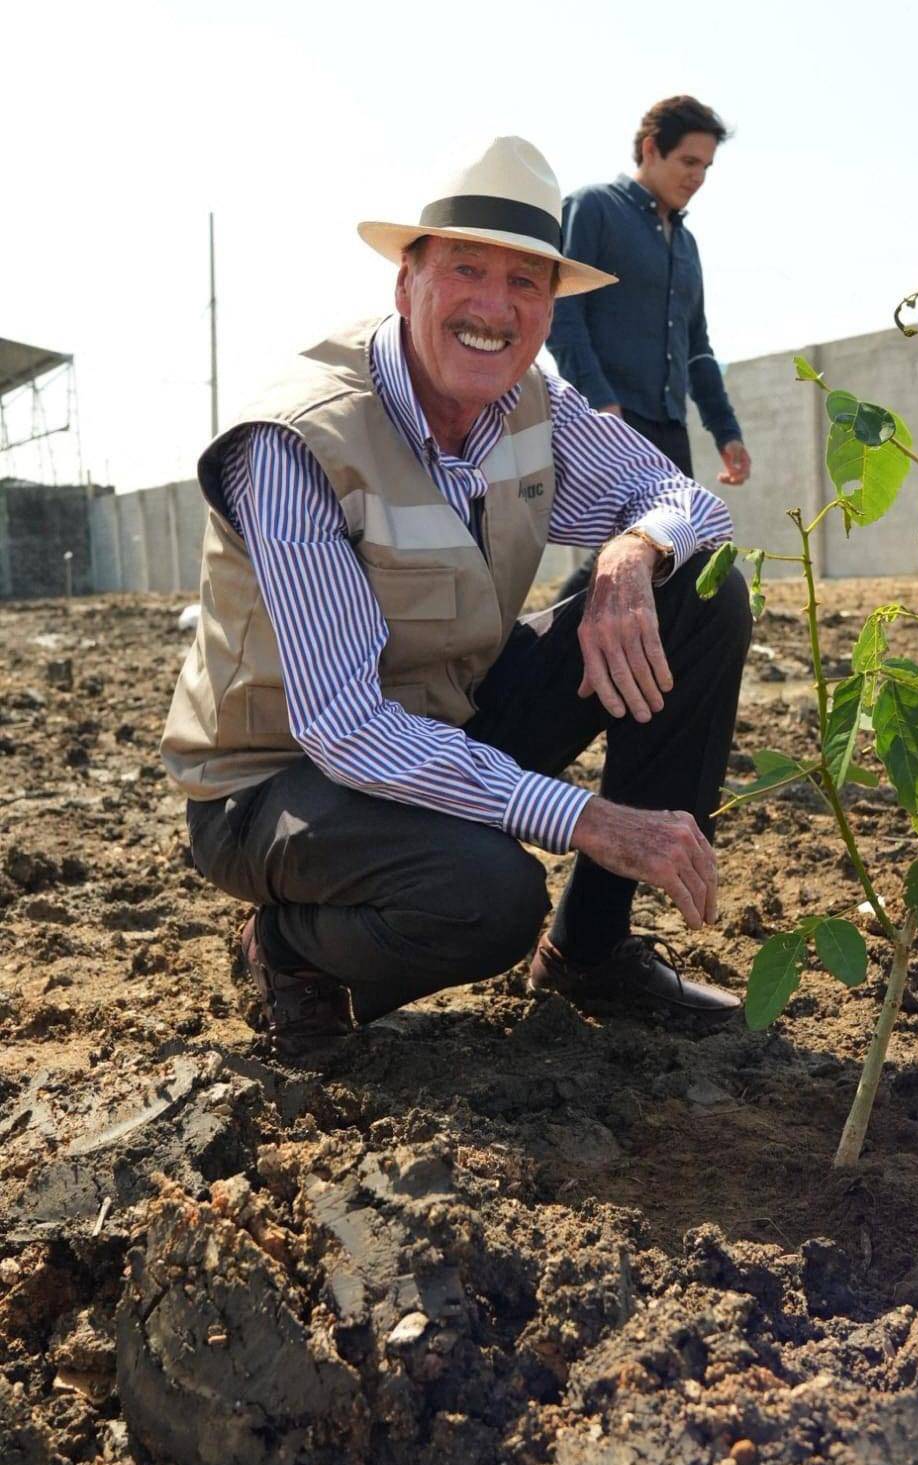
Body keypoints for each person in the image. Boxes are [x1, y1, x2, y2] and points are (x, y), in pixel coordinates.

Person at [161, 136, 751, 1062]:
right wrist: (586, 818)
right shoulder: (295, 443)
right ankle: (286, 949)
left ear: (549, 308)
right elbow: (346, 727)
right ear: (407, 284)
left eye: (525, 283)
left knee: (700, 596)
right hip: (277, 778)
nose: (493, 307)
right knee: (487, 895)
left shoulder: (529, 402)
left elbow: (691, 506)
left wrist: (630, 554)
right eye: (465, 270)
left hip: (445, 709)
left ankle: (591, 953)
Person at [548, 96, 751, 599]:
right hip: (611, 419)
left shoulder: (686, 245)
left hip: (669, 425)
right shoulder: (593, 208)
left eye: (706, 166)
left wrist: (725, 430)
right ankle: (532, 657)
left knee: (671, 558)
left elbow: (697, 347)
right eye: (688, 162)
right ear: (650, 149)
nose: (698, 177)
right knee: (618, 557)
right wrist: (600, 401)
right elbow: (561, 312)